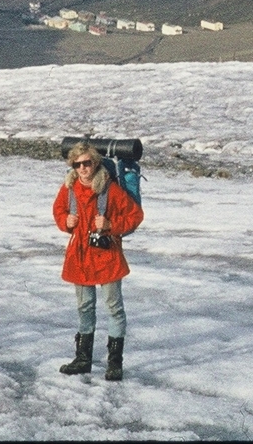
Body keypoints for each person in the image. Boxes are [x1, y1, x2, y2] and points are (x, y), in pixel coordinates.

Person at [51, 141, 144, 381]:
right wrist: (65, 222)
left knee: (114, 309)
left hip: (106, 257)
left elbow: (135, 215)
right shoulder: (69, 189)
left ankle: (115, 363)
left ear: (95, 162)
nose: (82, 168)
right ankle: (83, 359)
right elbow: (58, 211)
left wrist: (112, 225)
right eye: (77, 164)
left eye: (87, 163)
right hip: (80, 257)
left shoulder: (109, 189)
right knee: (85, 307)